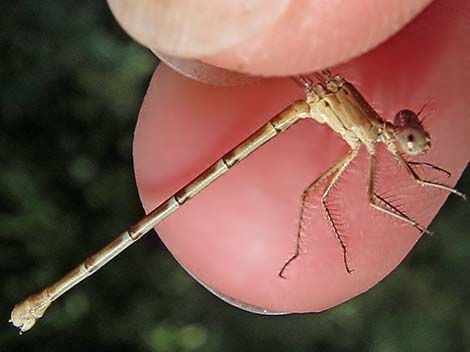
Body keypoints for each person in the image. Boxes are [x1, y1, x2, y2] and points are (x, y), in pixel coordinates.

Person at [110, 0, 469, 313]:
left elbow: (413, 178)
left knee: (316, 194)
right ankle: (299, 253)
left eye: (411, 135)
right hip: (314, 96)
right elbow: (374, 199)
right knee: (317, 195)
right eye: (410, 137)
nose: (413, 141)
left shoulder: (375, 136)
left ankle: (300, 254)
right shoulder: (372, 134)